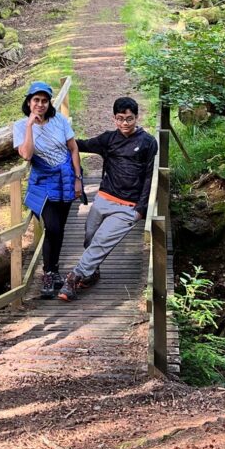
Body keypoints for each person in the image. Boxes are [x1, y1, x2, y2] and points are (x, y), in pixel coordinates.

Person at [58, 96, 157, 302]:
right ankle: (92, 272)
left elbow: (150, 176)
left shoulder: (148, 142)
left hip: (128, 206)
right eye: (120, 119)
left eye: (129, 119)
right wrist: (54, 139)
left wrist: (141, 208)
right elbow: (80, 145)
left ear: (136, 117)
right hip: (104, 197)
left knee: (102, 240)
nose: (124, 123)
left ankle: (74, 277)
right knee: (90, 236)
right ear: (114, 118)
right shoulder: (109, 139)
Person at [13, 81, 83, 299]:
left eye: (44, 101)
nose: (40, 105)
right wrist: (29, 127)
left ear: (49, 103)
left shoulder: (60, 121)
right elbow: (26, 154)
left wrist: (78, 179)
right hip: (43, 182)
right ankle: (48, 272)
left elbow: (73, 149)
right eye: (36, 100)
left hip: (65, 179)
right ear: (28, 101)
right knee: (51, 227)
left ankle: (53, 272)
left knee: (59, 228)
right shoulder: (19, 126)